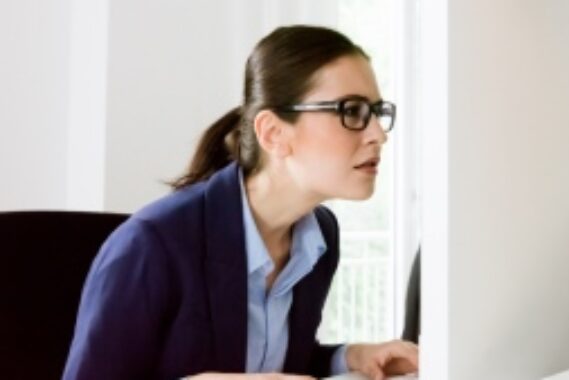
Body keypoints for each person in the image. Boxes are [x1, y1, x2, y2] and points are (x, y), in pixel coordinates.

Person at [62, 25, 418, 380]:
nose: (378, 134)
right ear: (273, 133)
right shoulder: (151, 244)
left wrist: (351, 357)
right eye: (352, 111)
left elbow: (268, 363)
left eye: (376, 111)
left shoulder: (319, 237)